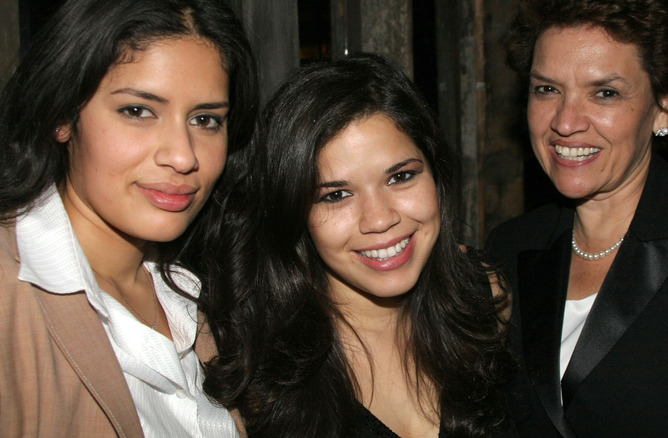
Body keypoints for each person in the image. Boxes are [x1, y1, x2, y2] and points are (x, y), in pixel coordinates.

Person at [485, 0, 668, 437]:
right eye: (547, 89)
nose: (565, 122)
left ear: (664, 103)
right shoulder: (510, 246)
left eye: (605, 92)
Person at [199, 53, 515, 438]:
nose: (379, 219)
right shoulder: (249, 368)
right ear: (294, 211)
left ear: (436, 174)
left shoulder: (486, 299)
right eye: (335, 196)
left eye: (400, 177)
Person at [0, 0, 259, 436]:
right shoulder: (11, 298)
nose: (182, 155)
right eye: (138, 111)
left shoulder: (203, 284)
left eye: (205, 119)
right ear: (62, 116)